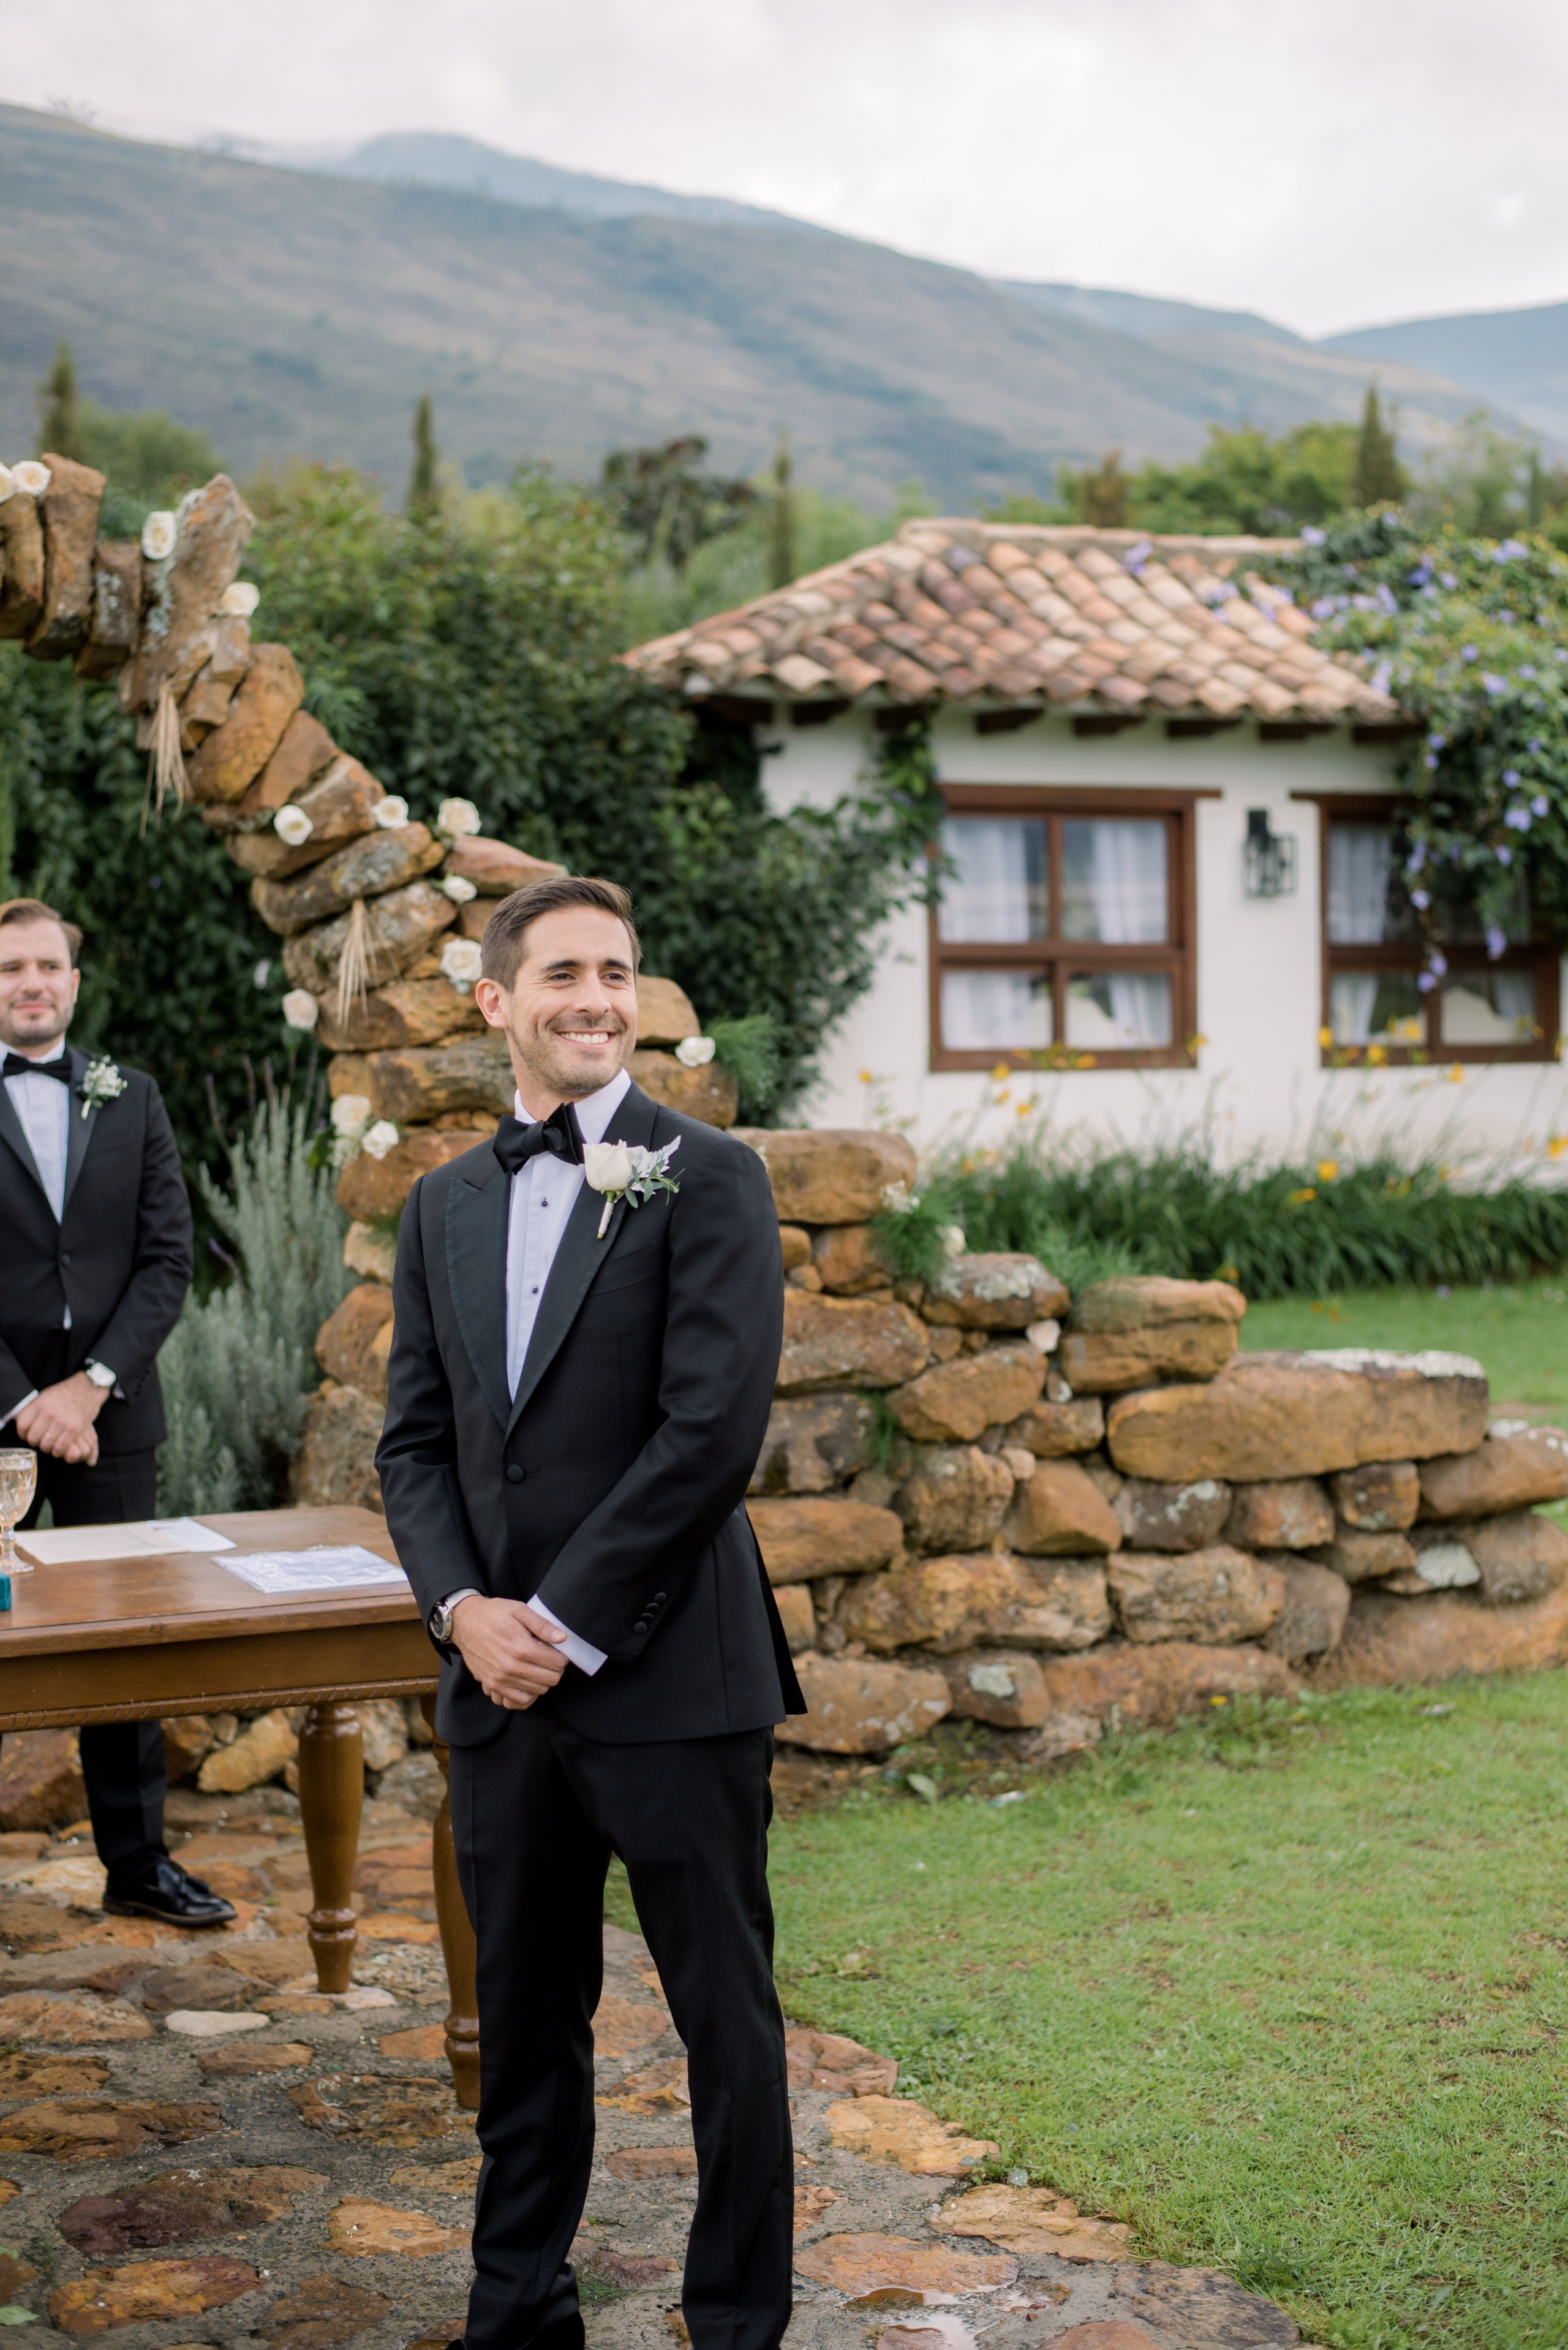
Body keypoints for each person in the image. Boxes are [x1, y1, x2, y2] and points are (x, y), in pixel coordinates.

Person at [378, 875, 802, 2350]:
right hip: (496, 1690)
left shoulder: (711, 1175)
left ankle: (736, 2318)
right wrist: (458, 1612)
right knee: (521, 2028)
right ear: (495, 1001)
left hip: (670, 1671)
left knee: (726, 2026)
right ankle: (517, 2310)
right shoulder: (440, 1203)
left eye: (616, 971)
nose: (596, 996)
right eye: (562, 970)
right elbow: (414, 1446)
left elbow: (708, 1433)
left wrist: (549, 1618)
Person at [0, 897, 233, 1929]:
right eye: (11, 969)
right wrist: (21, 1400)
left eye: (48, 966)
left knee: (121, 1644)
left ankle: (138, 1866)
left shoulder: (131, 1097)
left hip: (113, 1411)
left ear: (76, 983)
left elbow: (167, 1259)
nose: (32, 983)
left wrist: (91, 1384)